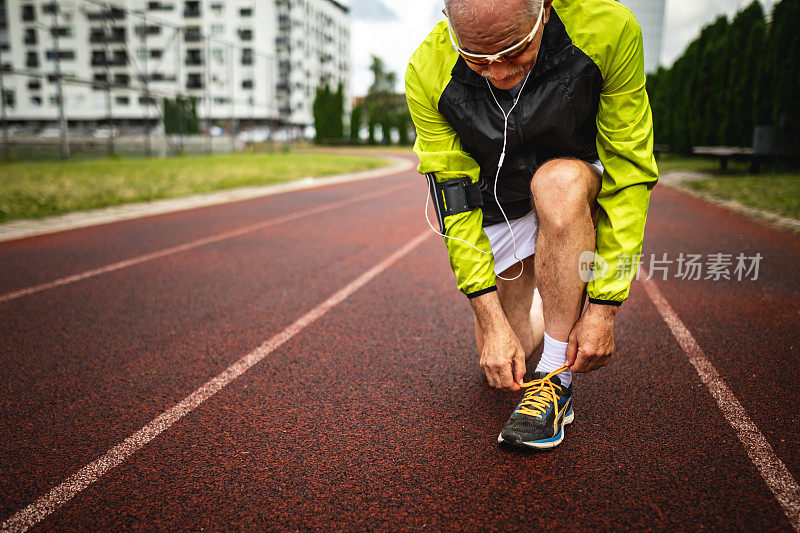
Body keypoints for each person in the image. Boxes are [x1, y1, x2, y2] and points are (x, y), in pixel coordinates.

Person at [405, 0, 658, 449]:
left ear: (543, 9)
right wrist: (490, 316)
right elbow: (455, 201)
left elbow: (630, 171)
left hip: (571, 179)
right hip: (497, 198)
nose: (498, 73)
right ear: (449, 23)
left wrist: (604, 307)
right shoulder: (427, 70)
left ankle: (555, 382)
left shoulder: (608, 29)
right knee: (507, 355)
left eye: (513, 52)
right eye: (476, 58)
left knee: (556, 184)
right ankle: (549, 292)